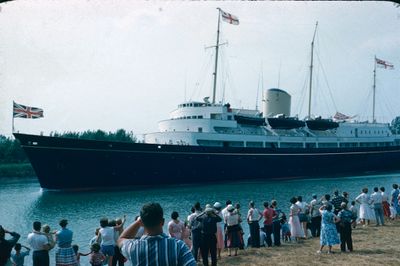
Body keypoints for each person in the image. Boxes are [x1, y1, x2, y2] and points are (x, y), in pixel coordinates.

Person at [118, 202, 196, 266]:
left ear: (142, 223)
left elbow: (121, 239)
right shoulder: (178, 246)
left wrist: (138, 222)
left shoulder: (133, 247)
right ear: (163, 222)